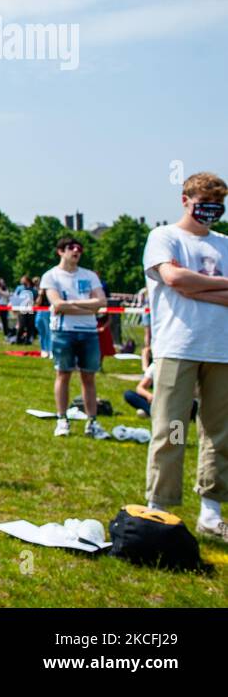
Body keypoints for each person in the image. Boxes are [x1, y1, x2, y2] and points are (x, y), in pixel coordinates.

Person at [140, 171, 228, 541]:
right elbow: (174, 280)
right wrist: (189, 283)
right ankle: (159, 506)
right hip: (178, 346)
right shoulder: (164, 237)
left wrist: (196, 287)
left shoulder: (224, 243)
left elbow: (185, 282)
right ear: (185, 200)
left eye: (218, 208)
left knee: (219, 433)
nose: (210, 213)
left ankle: (211, 510)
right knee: (171, 430)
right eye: (204, 206)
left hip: (221, 350)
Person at [42, 235, 108, 439]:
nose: (76, 251)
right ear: (61, 251)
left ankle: (92, 421)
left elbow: (102, 301)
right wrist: (88, 306)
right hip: (64, 332)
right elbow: (57, 304)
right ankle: (62, 419)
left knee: (89, 376)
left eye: (79, 248)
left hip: (89, 331)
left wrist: (71, 306)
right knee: (63, 374)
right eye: (71, 247)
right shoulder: (51, 276)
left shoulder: (89, 276)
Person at [12, 275, 36, 343]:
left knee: (30, 325)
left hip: (30, 309)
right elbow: (15, 297)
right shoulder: (19, 288)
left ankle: (28, 340)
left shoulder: (33, 289)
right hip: (21, 309)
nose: (22, 281)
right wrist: (14, 307)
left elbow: (35, 298)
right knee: (21, 325)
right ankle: (18, 339)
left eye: (23, 280)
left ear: (27, 281)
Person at [34, 286, 53, 358]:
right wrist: (40, 294)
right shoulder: (40, 293)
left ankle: (50, 350)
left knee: (49, 332)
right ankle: (44, 350)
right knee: (42, 332)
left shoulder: (52, 291)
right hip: (41, 312)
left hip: (49, 312)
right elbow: (37, 303)